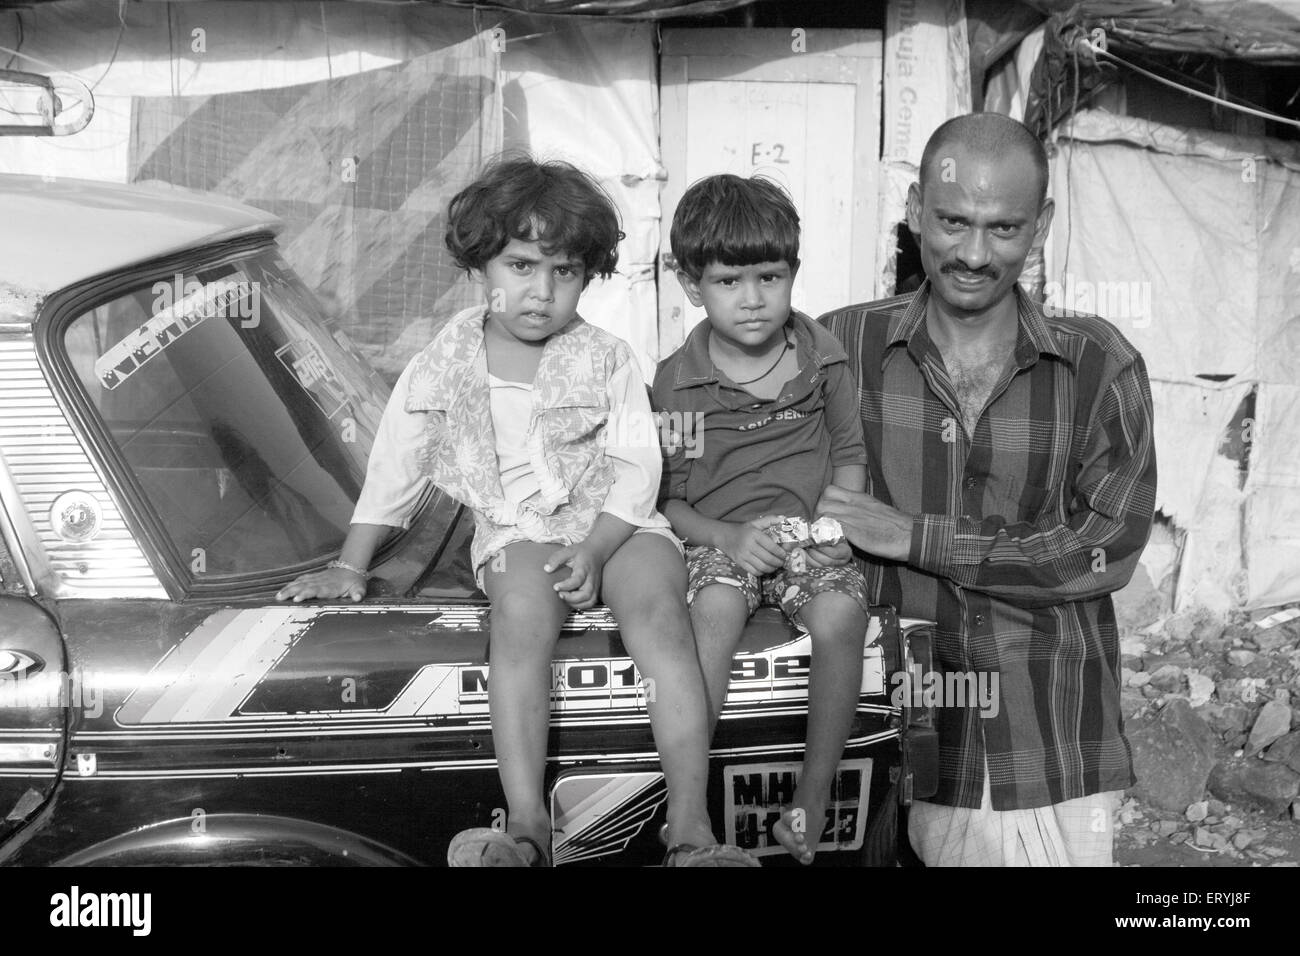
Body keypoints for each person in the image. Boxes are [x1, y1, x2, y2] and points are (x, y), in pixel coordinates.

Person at [278, 156, 756, 868]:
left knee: (660, 615)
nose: (541, 292)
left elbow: (637, 467)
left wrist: (595, 550)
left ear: (587, 276)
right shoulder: (445, 360)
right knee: (521, 616)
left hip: (620, 524)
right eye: (522, 266)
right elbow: (399, 459)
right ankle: (530, 825)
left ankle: (690, 826)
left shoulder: (607, 357)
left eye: (564, 272)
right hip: (519, 529)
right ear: (482, 267)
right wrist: (353, 562)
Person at [816, 112, 1156, 866]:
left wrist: (913, 536)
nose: (973, 254)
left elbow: (1106, 550)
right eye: (952, 222)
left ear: (1042, 225)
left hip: (1047, 740)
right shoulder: (837, 348)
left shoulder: (1099, 365)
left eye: (1003, 228)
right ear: (913, 211)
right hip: (875, 730)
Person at [652, 174, 873, 865]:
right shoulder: (677, 382)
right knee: (715, 609)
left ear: (793, 274)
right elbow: (671, 501)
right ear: (692, 285)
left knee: (842, 617)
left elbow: (849, 456)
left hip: (808, 536)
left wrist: (831, 533)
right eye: (727, 281)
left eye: (769, 277)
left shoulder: (822, 359)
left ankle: (807, 806)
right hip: (723, 541)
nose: (752, 299)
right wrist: (729, 540)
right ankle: (686, 817)